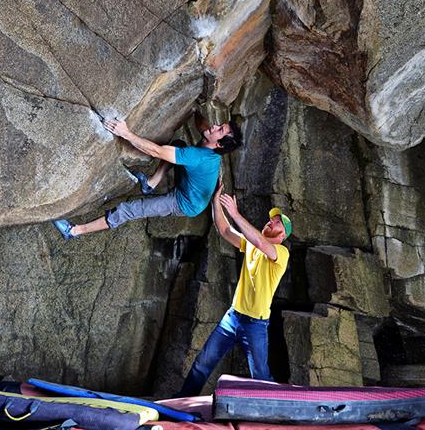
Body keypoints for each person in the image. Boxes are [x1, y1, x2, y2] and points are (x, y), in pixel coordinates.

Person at [175, 183, 292, 397]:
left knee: (261, 376)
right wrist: (216, 202)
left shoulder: (281, 253)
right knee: (203, 363)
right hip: (232, 317)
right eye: (272, 219)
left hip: (256, 323)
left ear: (282, 236)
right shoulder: (250, 245)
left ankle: (274, 408)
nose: (271, 221)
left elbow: (258, 240)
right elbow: (224, 230)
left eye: (277, 223)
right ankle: (183, 400)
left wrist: (235, 213)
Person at [52, 117, 242, 239]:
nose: (214, 126)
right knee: (177, 144)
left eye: (219, 129)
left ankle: (74, 231)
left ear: (218, 144)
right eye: (219, 124)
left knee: (130, 210)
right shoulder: (212, 145)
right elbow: (203, 125)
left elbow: (157, 151)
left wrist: (125, 133)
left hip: (184, 203)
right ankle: (150, 184)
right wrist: (198, 109)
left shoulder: (198, 157)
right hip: (192, 186)